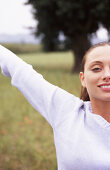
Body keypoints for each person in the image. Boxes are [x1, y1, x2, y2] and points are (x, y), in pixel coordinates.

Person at [0, 42, 110, 170]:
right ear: (83, 79)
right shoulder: (67, 111)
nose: (107, 75)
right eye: (97, 68)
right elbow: (20, 70)